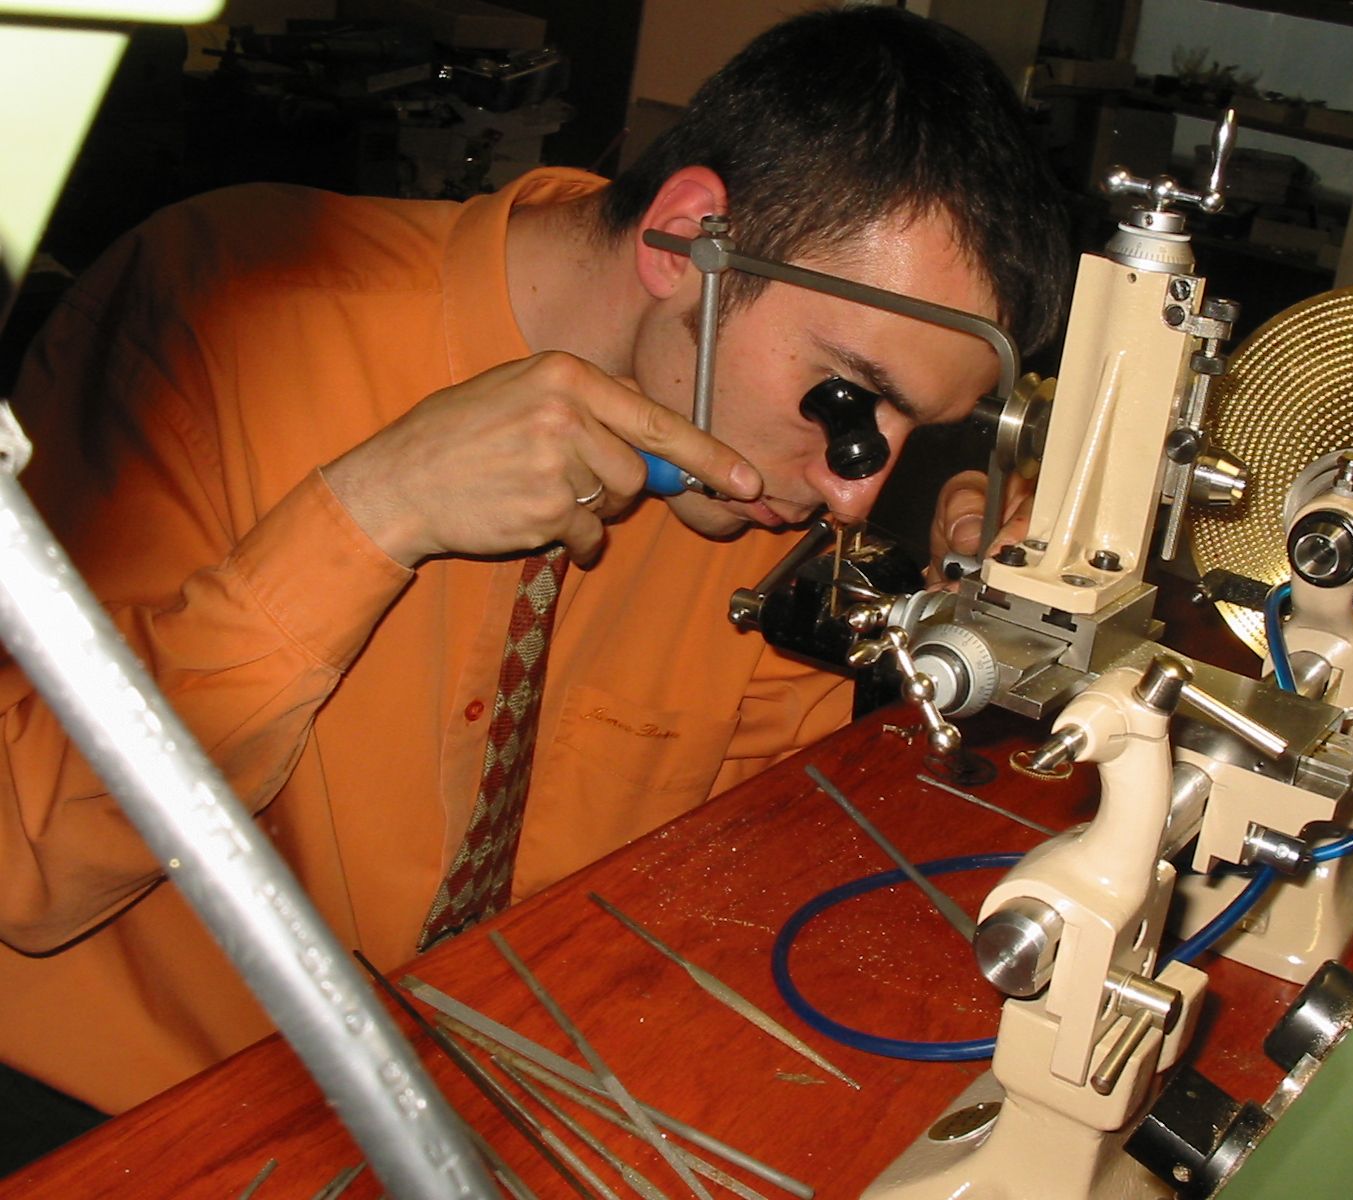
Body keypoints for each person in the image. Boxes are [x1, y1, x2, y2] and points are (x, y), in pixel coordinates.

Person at [0, 2, 1073, 1137]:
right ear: (683, 239)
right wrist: (369, 517)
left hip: (494, 1101)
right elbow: (25, 867)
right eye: (852, 400)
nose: (854, 488)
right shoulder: (222, 311)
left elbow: (740, 896)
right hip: (111, 1116)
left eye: (916, 433)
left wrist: (988, 650)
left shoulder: (754, 485)